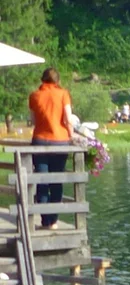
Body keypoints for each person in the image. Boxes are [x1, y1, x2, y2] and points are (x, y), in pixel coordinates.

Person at [27, 68, 77, 230]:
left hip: (40, 140)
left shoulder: (34, 96)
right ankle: (54, 221)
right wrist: (72, 135)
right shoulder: (63, 94)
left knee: (42, 180)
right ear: (57, 80)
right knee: (56, 181)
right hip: (60, 141)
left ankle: (45, 220)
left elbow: (33, 120)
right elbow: (68, 119)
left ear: (42, 80)